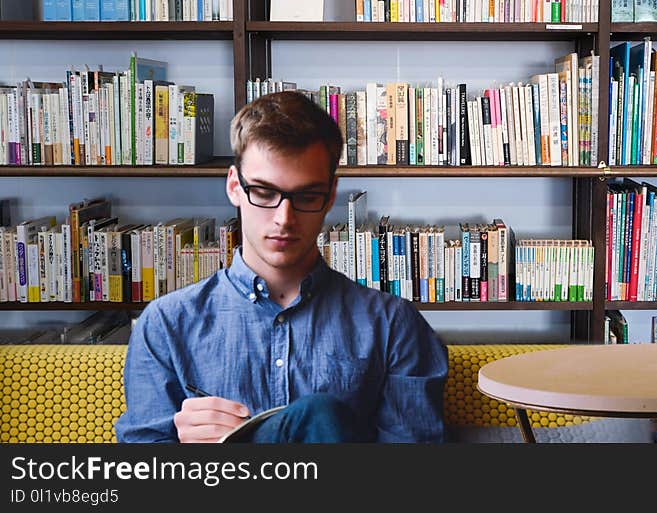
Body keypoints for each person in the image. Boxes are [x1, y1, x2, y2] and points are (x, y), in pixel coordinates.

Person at [115, 91, 448, 443]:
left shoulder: (393, 325)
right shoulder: (166, 324)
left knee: (321, 415)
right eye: (263, 192)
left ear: (331, 195)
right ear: (234, 186)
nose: (283, 219)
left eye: (306, 196)